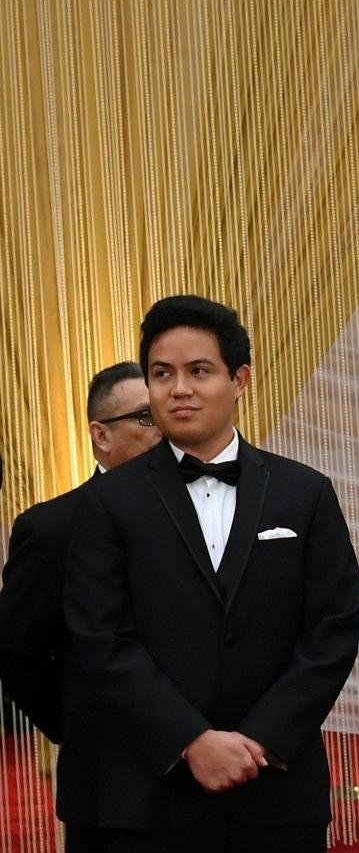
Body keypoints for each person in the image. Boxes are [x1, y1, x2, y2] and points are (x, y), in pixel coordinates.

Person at [64, 296, 359, 853]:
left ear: (239, 379)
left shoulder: (305, 493)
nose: (179, 389)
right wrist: (192, 741)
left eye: (199, 371)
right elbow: (100, 638)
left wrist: (259, 739)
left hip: (277, 789)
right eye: (162, 374)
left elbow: (333, 628)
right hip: (151, 796)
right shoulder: (108, 503)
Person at [0, 362, 161, 853]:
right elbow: (17, 652)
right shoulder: (52, 530)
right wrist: (82, 721)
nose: (167, 429)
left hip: (220, 790)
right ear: (101, 435)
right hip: (110, 787)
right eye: (146, 418)